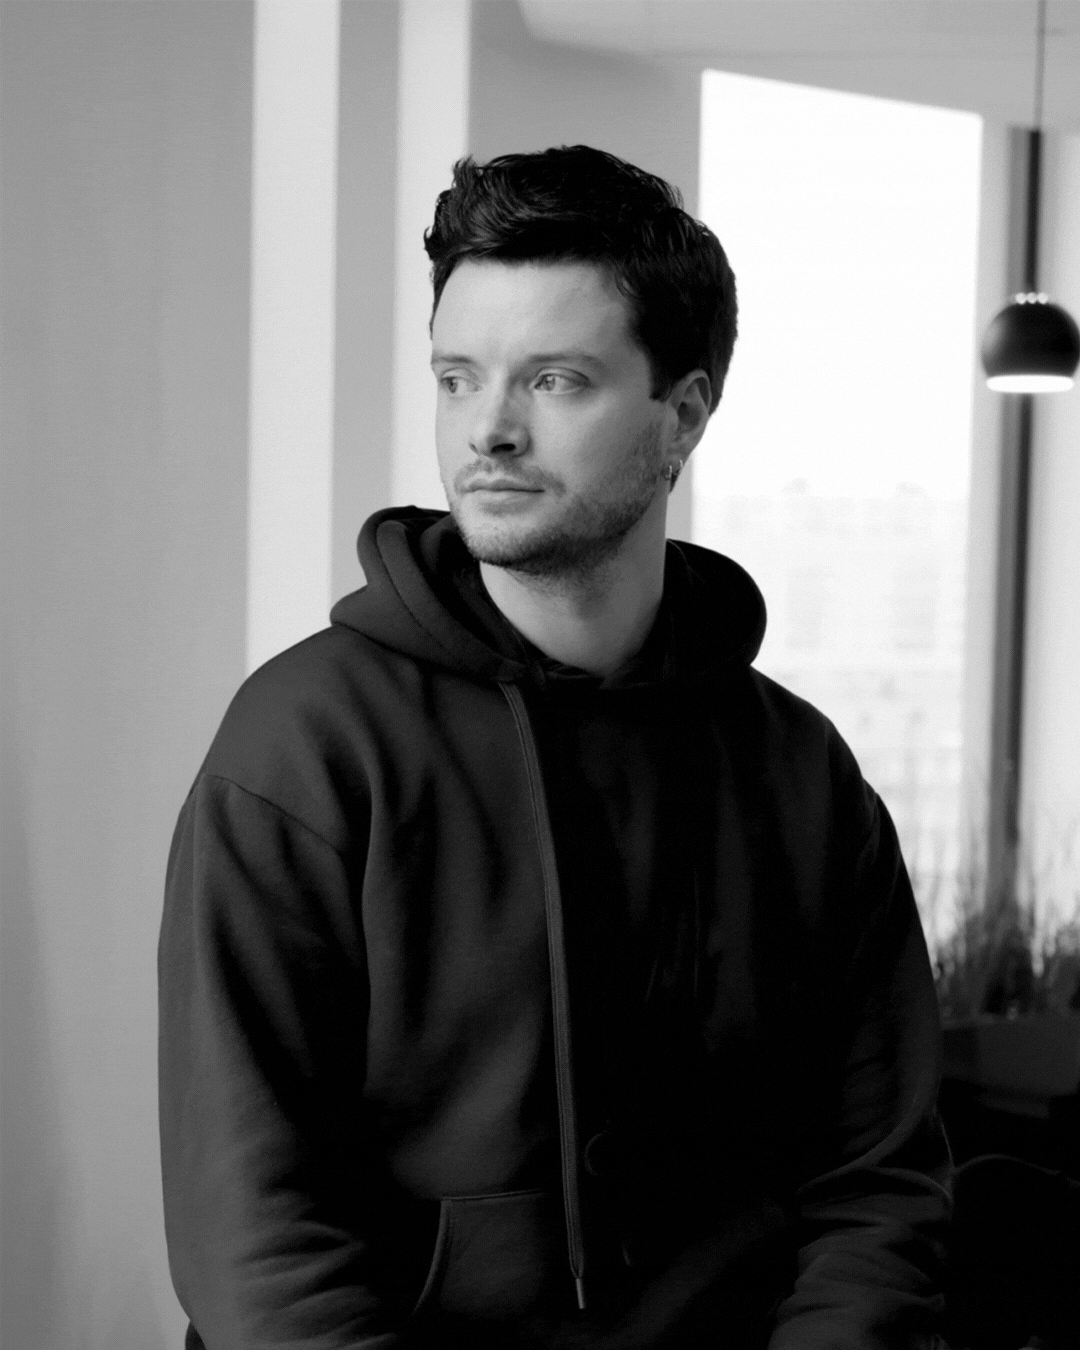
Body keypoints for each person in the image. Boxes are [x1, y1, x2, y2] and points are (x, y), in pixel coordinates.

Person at [158, 145, 952, 1350]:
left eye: (556, 380)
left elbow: (877, 1186)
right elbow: (255, 1236)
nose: (490, 430)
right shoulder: (305, 746)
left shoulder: (800, 774)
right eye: (458, 378)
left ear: (684, 414)